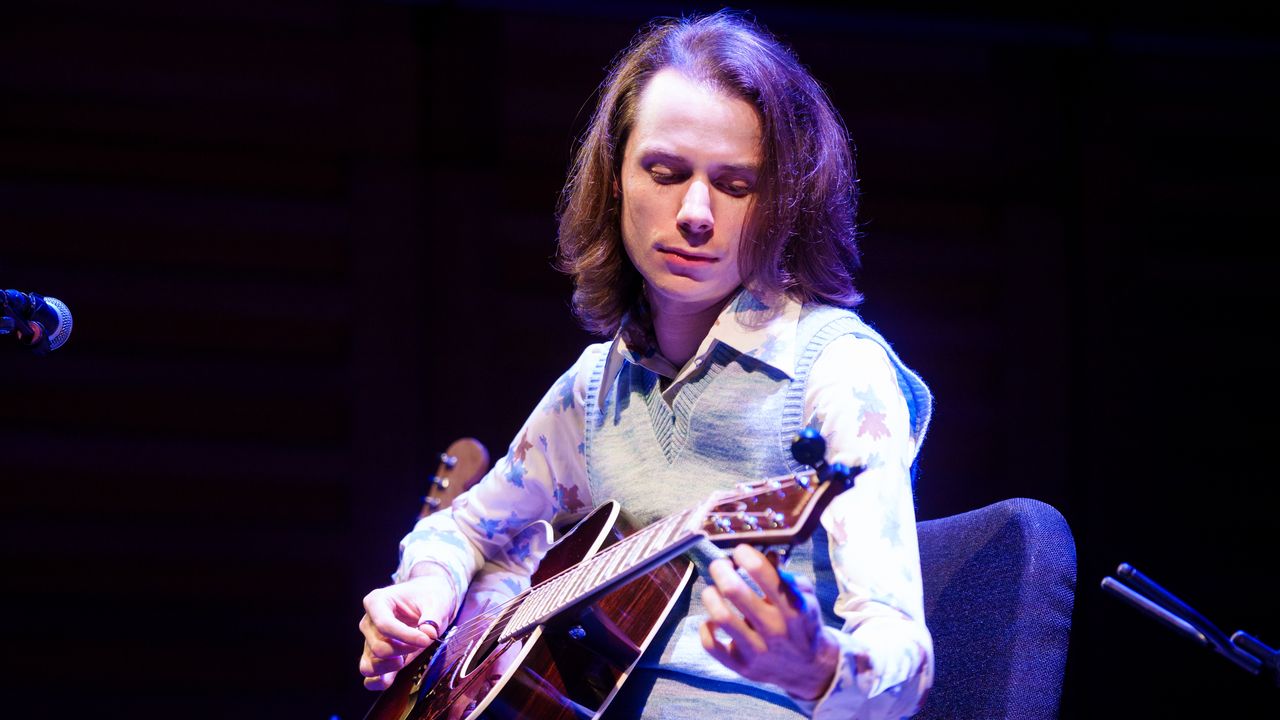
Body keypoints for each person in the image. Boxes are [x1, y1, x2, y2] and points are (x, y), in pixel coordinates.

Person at [359, 10, 934, 719]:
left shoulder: (839, 372)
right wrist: (427, 589)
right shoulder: (596, 387)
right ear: (614, 180)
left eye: (736, 185)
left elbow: (907, 663)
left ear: (783, 204)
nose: (695, 212)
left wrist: (816, 667)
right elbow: (465, 528)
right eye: (664, 173)